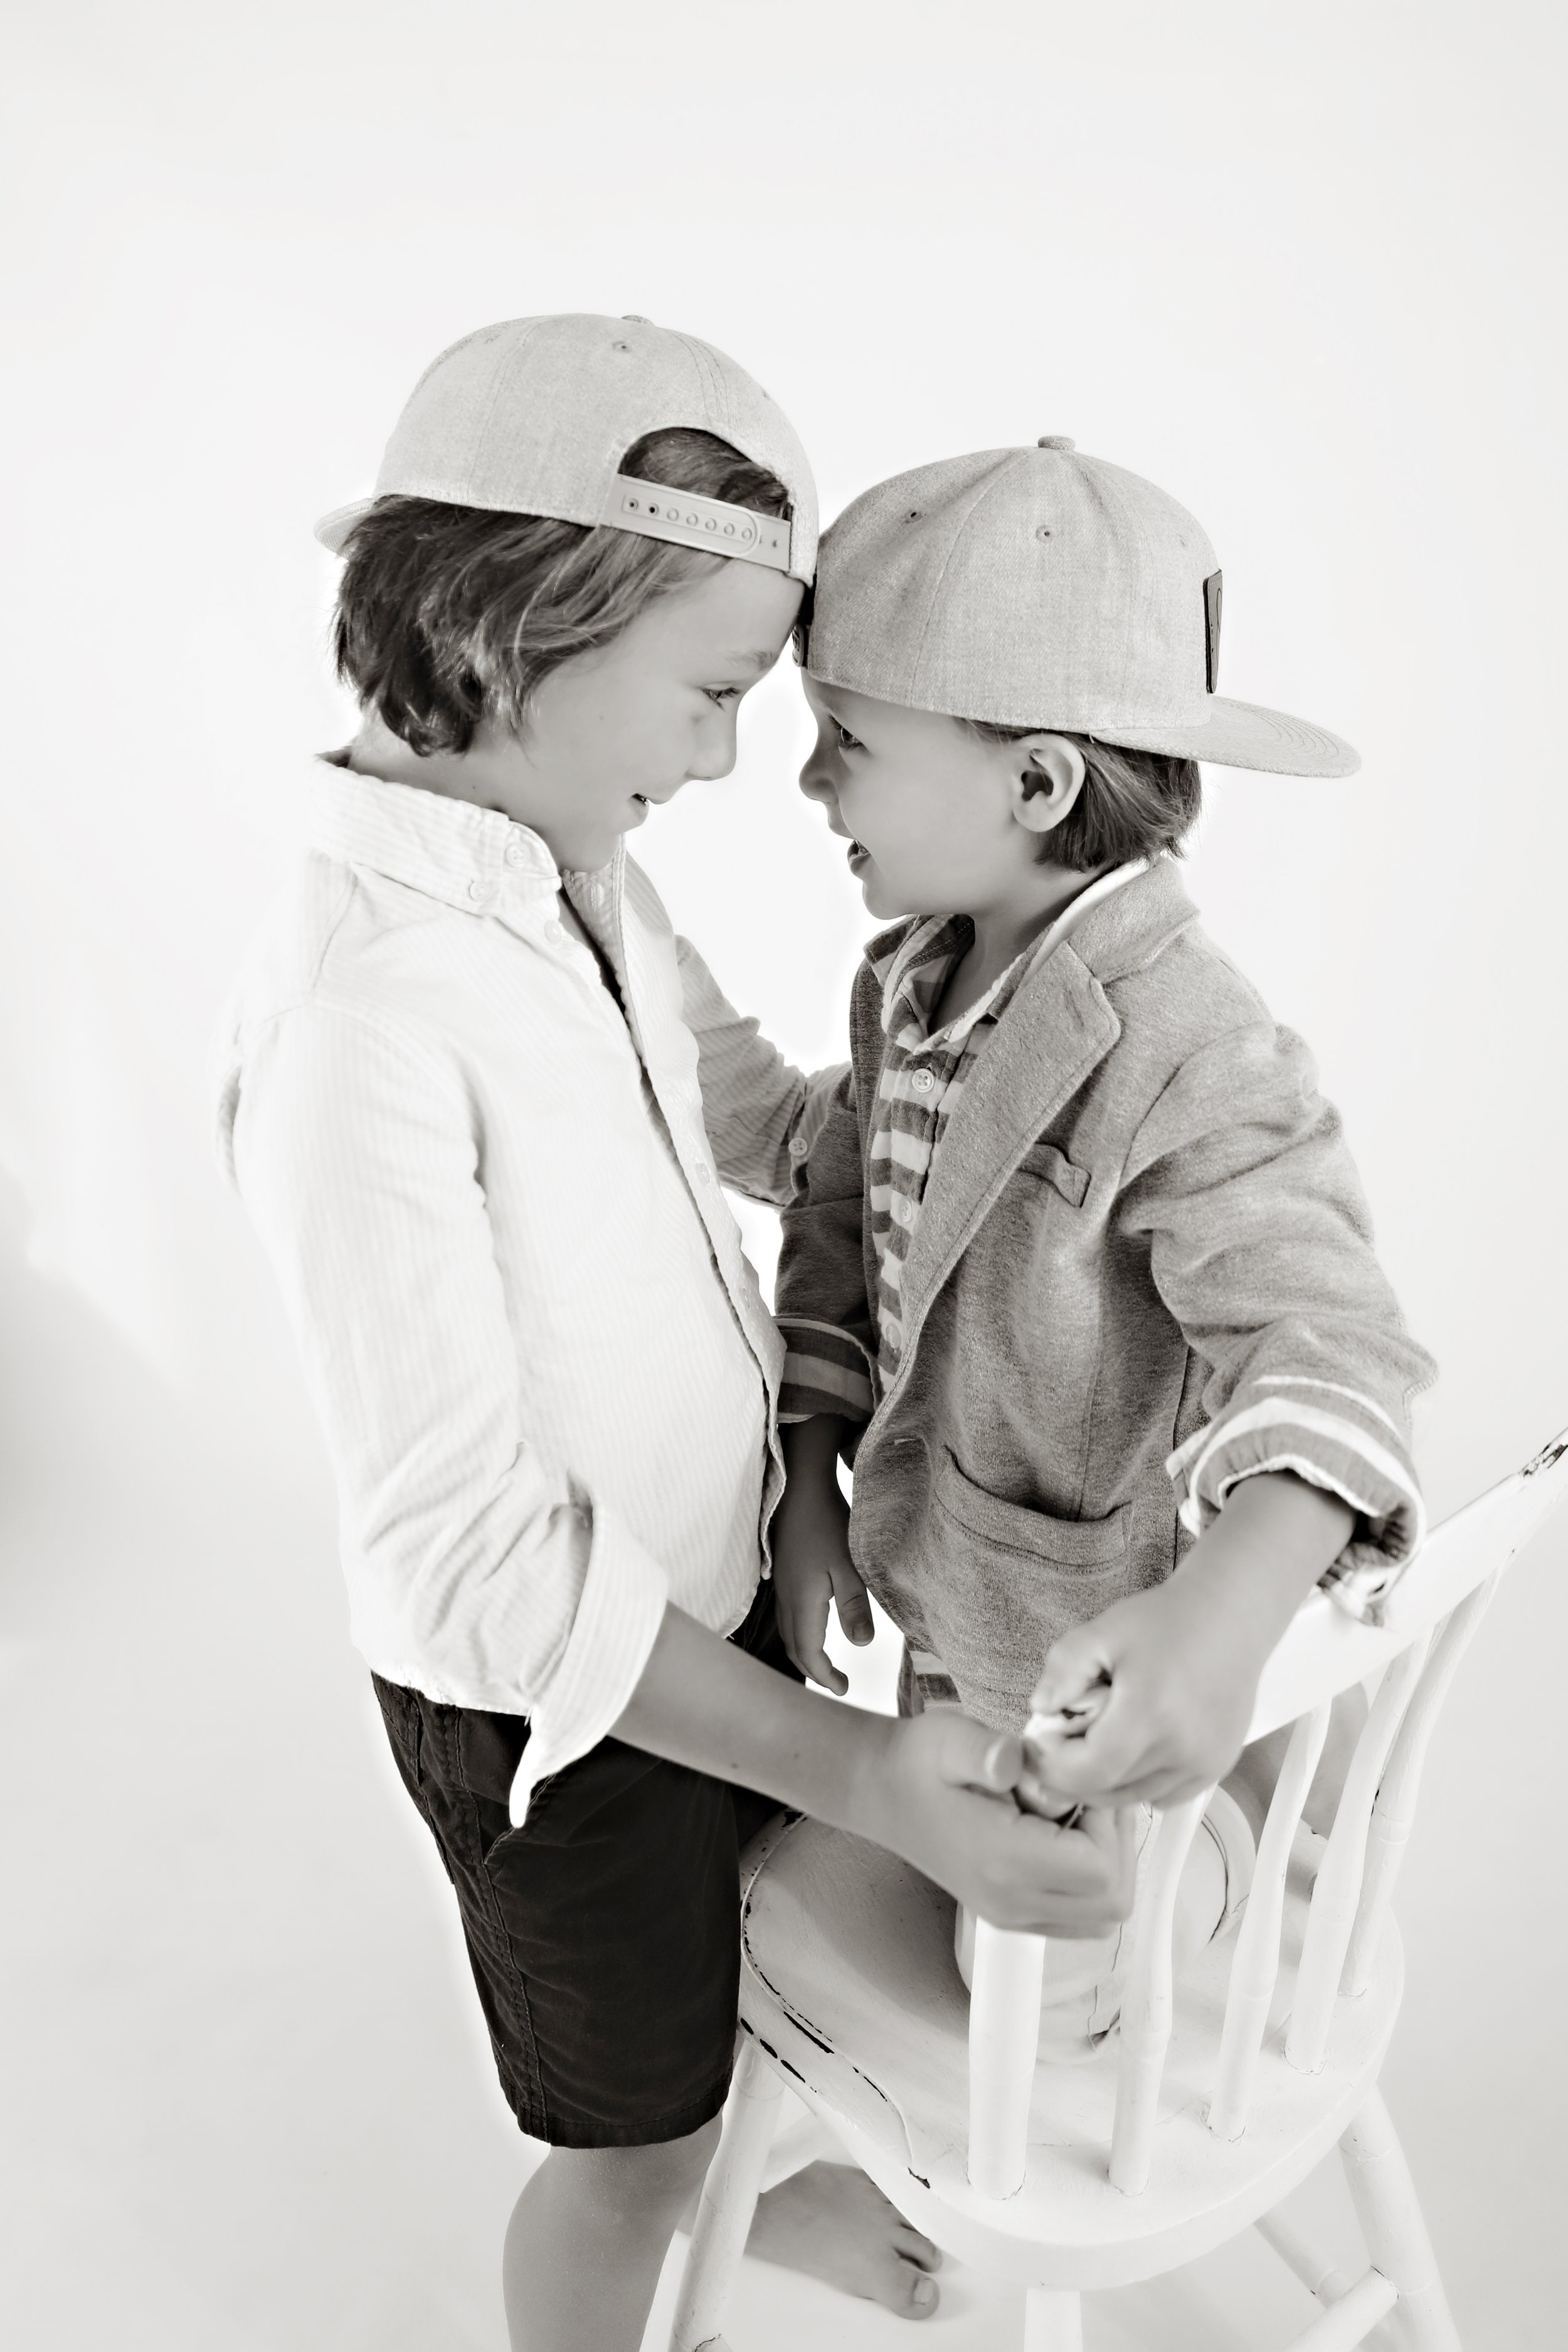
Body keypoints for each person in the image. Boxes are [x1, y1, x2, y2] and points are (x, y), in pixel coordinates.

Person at [215, 325, 1133, 2352]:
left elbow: (743, 1110)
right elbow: (472, 1568)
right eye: (716, 692)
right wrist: (862, 1770)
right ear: (510, 622)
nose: (731, 761)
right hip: (552, 1717)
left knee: (719, 1992)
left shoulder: (578, 876)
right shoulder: (362, 1025)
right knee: (621, 2135)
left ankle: (760, 2190)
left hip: (706, 1606)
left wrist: (990, 1157)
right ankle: (643, 2260)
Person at [771, 438, 1436, 1870]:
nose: (807, 781)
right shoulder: (905, 977)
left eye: (847, 740)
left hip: (1087, 1663)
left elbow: (1327, 1338)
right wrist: (809, 1471)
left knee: (1047, 1980)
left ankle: (1226, 1900)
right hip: (943, 1594)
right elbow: (846, 1229)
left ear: (1034, 781)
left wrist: (1223, 1619)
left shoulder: (1186, 1038)